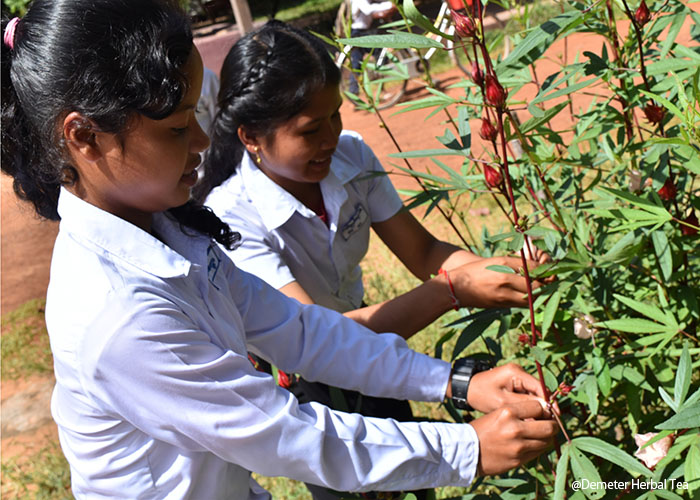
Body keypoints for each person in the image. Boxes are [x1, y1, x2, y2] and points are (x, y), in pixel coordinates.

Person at [1, 2, 557, 499]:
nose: (199, 141)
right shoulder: (120, 318)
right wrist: (466, 449)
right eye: (175, 129)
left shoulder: (170, 231)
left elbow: (301, 331)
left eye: (197, 114)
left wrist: (452, 381)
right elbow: (288, 435)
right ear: (85, 136)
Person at [198, 21, 553, 498]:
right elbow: (317, 340)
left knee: (414, 485)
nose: (330, 138)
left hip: (381, 361)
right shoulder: (229, 216)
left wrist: (497, 268)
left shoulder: (351, 156)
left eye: (335, 117)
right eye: (310, 129)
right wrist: (452, 290)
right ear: (251, 138)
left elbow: (425, 252)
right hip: (307, 387)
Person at [347, 0, 398, 95]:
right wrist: (390, 4)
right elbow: (368, 10)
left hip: (360, 32)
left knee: (356, 62)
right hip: (357, 33)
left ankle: (354, 92)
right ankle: (378, 80)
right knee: (379, 52)